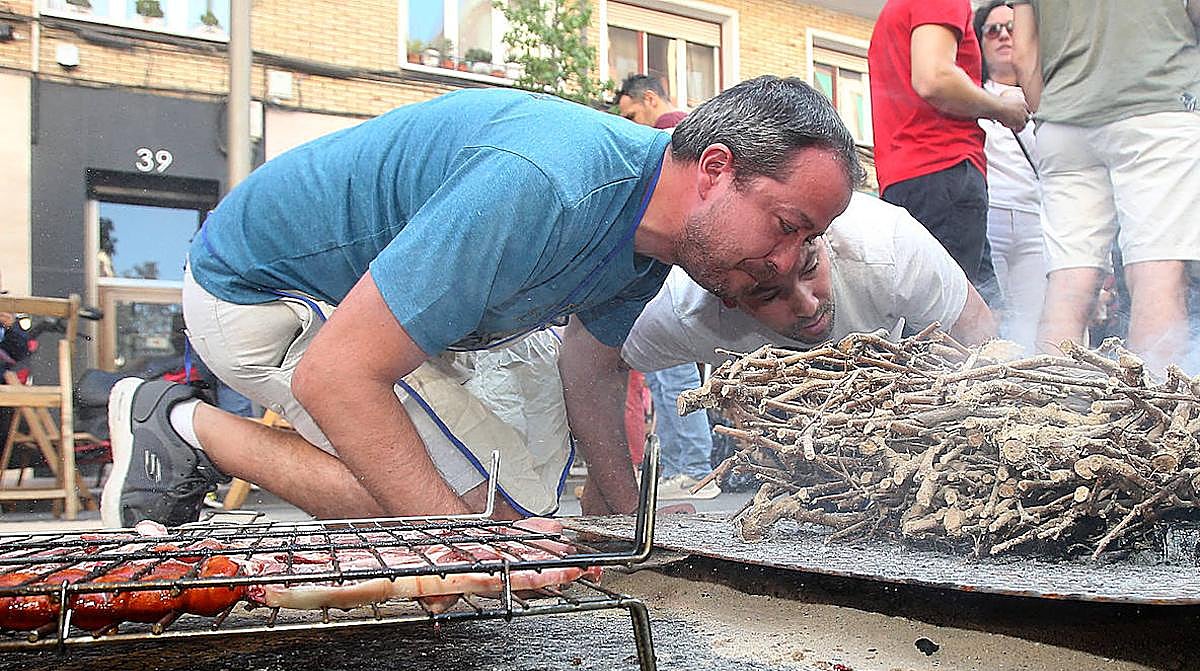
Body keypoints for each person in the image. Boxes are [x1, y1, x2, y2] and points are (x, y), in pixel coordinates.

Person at [102, 78, 861, 528]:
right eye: (788, 227)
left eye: (809, 242)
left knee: (526, 495)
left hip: (379, 310)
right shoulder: (546, 185)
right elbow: (335, 375)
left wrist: (627, 522)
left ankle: (470, 522)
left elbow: (591, 372)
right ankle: (181, 425)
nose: (789, 263)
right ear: (716, 170)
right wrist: (449, 545)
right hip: (263, 293)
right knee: (493, 519)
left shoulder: (655, 242)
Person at [575, 191, 996, 514]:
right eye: (769, 293)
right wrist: (620, 503)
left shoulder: (889, 248)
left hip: (889, 387)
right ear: (728, 299)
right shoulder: (684, 308)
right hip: (781, 413)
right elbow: (591, 366)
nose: (808, 304)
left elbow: (982, 340)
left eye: (809, 269)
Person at [1012, 0, 1200, 372]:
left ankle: (1049, 408)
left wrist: (1050, 114)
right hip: (1157, 106)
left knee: (1068, 278)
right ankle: (1153, 412)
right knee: (1156, 269)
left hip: (1063, 121)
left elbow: (1022, 54)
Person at [868, 0, 1029, 308]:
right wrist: (1002, 108)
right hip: (944, 171)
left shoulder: (896, 10)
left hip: (912, 177)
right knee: (958, 316)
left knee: (972, 308)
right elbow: (935, 78)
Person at [616, 73, 719, 501]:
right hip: (672, 278)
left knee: (673, 376)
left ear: (651, 99)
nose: (631, 124)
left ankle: (694, 468)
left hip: (672, 280)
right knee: (665, 378)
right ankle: (685, 466)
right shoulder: (682, 137)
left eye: (632, 114)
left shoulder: (675, 137)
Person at [972, 0, 1046, 355]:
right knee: (995, 315)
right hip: (991, 215)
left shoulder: (1044, 97)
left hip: (1036, 220)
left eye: (1012, 28)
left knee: (1039, 318)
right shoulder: (971, 95)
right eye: (993, 30)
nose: (1003, 36)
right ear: (980, 41)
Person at [615, 74, 688, 129]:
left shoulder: (666, 125)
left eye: (631, 117)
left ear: (650, 99)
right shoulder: (685, 121)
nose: (630, 125)